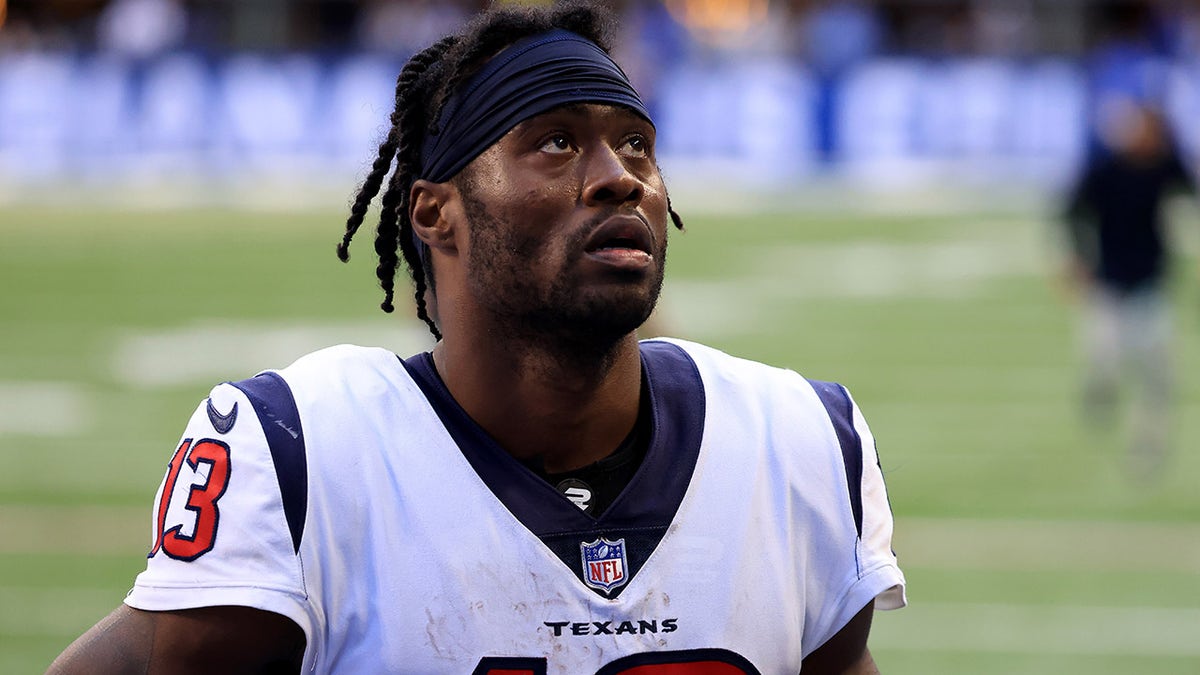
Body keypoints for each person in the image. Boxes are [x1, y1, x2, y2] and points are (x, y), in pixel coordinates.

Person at [48, 2, 905, 672]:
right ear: (435, 211)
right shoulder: (308, 453)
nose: (620, 178)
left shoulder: (797, 441)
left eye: (637, 145)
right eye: (558, 143)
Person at [1062, 99, 1197, 477]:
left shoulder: (1165, 167)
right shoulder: (1106, 171)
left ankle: (1148, 442)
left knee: (1154, 374)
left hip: (1149, 284)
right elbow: (1072, 212)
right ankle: (1102, 394)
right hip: (1109, 284)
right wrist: (1078, 259)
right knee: (1104, 359)